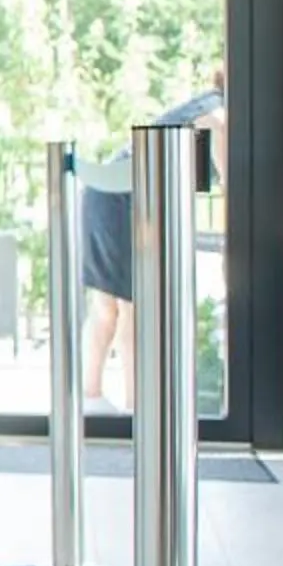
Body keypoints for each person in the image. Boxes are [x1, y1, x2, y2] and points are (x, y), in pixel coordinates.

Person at [77, 70, 226, 409]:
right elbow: (225, 166)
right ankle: (134, 406)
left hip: (105, 193)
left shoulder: (204, 103)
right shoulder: (217, 112)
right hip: (123, 196)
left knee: (109, 306)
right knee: (132, 307)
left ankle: (93, 398)